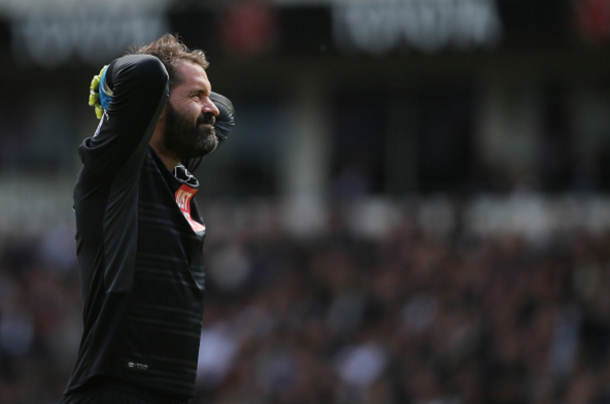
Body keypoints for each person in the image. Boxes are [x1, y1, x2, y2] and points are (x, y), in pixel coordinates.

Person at [60, 34, 235, 404]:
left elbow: (225, 114)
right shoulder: (118, 169)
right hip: (115, 389)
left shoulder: (176, 177)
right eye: (196, 96)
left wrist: (193, 93)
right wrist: (109, 82)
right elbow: (145, 74)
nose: (212, 108)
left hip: (167, 393)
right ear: (155, 106)